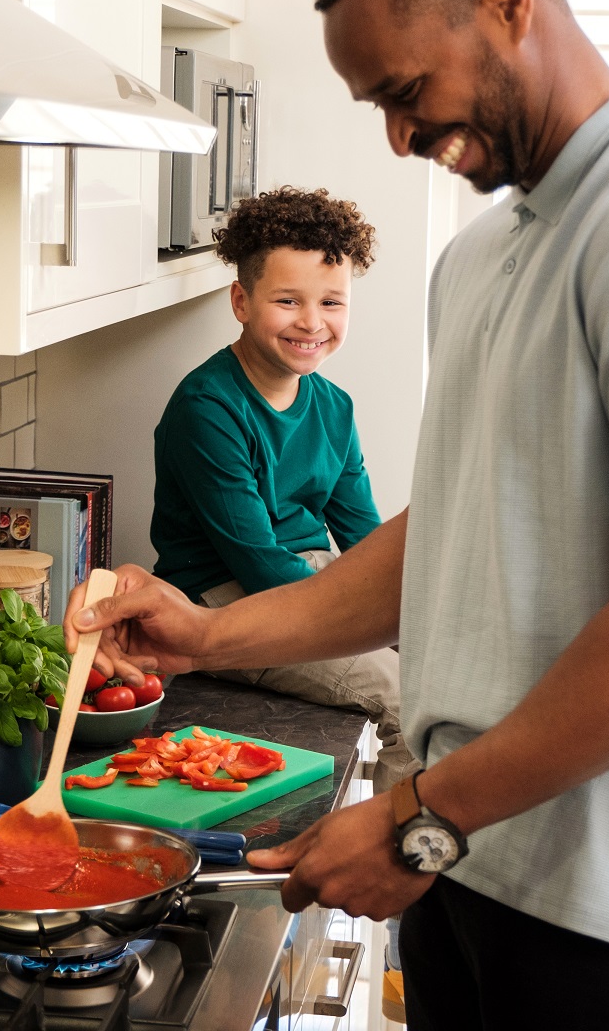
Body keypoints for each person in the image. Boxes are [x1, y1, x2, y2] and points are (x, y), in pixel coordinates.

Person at [71, 0, 609, 1031]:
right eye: (376, 102)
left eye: (407, 89)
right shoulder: (486, 259)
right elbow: (453, 538)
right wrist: (212, 634)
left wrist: (424, 818)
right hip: (477, 857)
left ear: (509, 1)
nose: (399, 135)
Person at [150, 185, 416, 790]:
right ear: (241, 301)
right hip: (228, 603)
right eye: (289, 300)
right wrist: (361, 616)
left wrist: (414, 615)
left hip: (312, 578)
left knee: (456, 669)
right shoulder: (208, 407)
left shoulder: (334, 406)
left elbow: (364, 536)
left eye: (332, 301)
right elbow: (260, 565)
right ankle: (390, 861)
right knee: (412, 702)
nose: (312, 322)